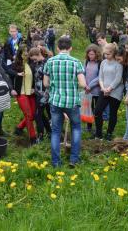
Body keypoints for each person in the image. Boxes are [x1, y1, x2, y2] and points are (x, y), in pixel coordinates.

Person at [43, 36, 86, 168]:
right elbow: (83, 84)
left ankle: (56, 162)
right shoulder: (76, 62)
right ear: (70, 48)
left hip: (55, 101)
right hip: (72, 101)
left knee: (56, 131)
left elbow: (45, 83)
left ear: (57, 48)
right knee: (76, 128)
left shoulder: (50, 61)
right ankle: (74, 159)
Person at [94, 43, 124, 141]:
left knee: (112, 113)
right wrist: (103, 88)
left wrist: (110, 89)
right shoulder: (103, 63)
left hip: (115, 92)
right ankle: (98, 134)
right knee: (97, 111)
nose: (106, 56)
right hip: (104, 90)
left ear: (114, 53)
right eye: (105, 54)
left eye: (108, 54)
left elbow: (118, 79)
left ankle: (109, 133)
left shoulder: (118, 64)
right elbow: (100, 77)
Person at [12, 45, 37, 145]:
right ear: (20, 54)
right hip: (21, 93)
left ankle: (19, 128)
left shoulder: (31, 64)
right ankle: (33, 138)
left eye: (27, 52)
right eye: (24, 52)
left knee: (33, 114)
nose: (26, 54)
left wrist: (34, 87)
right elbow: (8, 73)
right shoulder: (16, 65)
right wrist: (12, 89)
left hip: (30, 93)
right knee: (28, 115)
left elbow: (35, 77)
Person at [28, 47, 51, 141]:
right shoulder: (36, 63)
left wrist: (47, 93)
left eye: (34, 58)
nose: (33, 60)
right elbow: (35, 77)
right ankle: (49, 131)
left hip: (46, 93)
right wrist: (33, 88)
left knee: (38, 115)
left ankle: (40, 136)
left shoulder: (47, 63)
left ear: (39, 54)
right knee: (40, 114)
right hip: (38, 93)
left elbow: (49, 79)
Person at [84, 44, 103, 134]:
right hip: (88, 90)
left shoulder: (100, 63)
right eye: (89, 54)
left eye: (92, 54)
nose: (90, 56)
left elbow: (99, 77)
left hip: (97, 90)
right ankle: (89, 126)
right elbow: (83, 73)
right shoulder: (86, 62)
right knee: (89, 109)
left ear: (96, 54)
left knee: (97, 110)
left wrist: (90, 86)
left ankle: (98, 127)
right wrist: (84, 85)